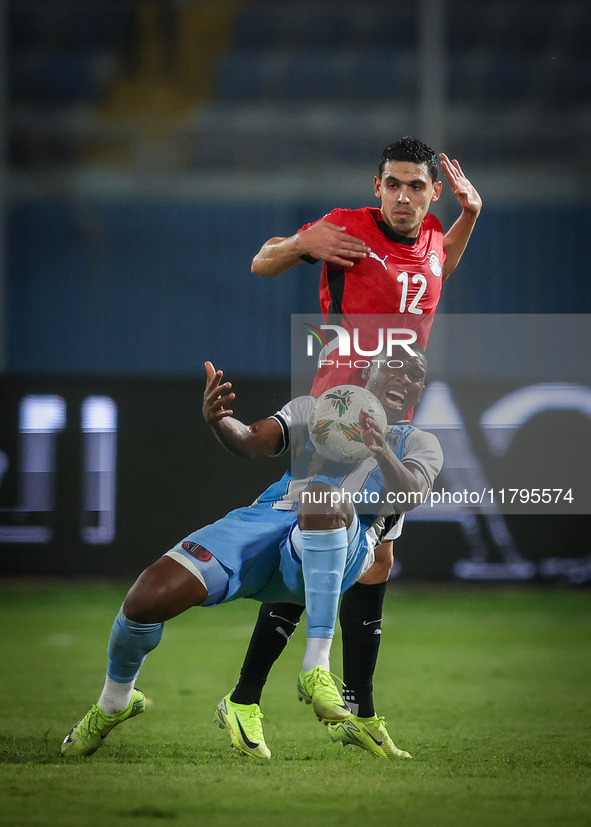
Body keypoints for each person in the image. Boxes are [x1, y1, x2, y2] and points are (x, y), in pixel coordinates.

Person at [221, 137, 481, 759]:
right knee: (327, 560)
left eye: (416, 185)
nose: (403, 195)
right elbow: (261, 262)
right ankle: (248, 700)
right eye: (392, 183)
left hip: (392, 425)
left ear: (433, 192)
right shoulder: (346, 227)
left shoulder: (434, 237)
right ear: (377, 187)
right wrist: (298, 245)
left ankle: (351, 709)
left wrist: (470, 218)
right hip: (339, 419)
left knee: (373, 563)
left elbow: (437, 266)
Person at [60, 348, 442, 760]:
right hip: (267, 523)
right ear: (369, 372)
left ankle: (316, 667)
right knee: (146, 598)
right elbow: (250, 441)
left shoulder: (419, 442)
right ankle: (115, 702)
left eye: (416, 376)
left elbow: (411, 493)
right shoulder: (316, 410)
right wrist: (219, 421)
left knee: (321, 499)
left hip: (344, 545)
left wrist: (381, 449)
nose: (406, 379)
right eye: (397, 368)